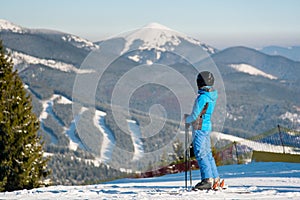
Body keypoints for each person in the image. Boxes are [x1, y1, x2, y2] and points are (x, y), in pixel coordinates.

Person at [184, 71, 221, 190]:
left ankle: (207, 180)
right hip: (206, 126)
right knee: (208, 153)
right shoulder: (212, 95)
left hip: (199, 127)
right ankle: (215, 179)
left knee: (200, 153)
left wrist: (187, 119)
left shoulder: (202, 97)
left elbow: (195, 115)